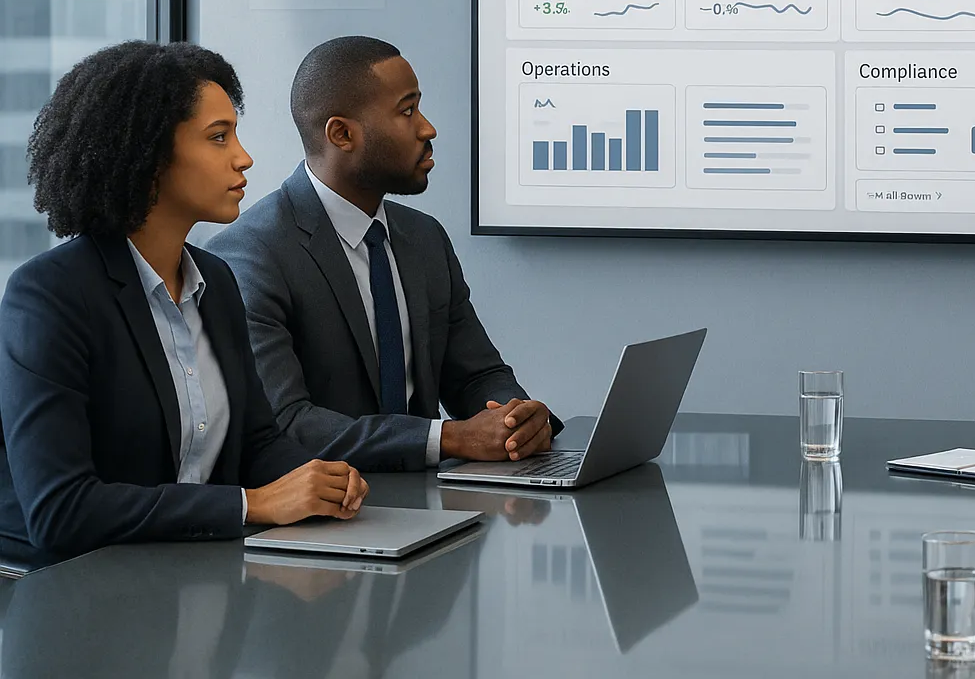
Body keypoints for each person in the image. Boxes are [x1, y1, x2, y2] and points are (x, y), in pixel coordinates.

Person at [0, 41, 368, 555]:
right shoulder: (49, 296)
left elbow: (257, 443)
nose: (244, 157)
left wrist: (318, 479)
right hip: (77, 596)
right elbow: (61, 510)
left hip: (192, 573)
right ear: (145, 156)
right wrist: (252, 505)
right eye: (218, 138)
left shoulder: (214, 280)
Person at [209, 36, 558, 472]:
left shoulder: (425, 237)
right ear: (341, 134)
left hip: (436, 509)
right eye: (407, 110)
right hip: (324, 523)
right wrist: (449, 438)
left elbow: (476, 374)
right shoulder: (250, 255)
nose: (427, 128)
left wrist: (517, 419)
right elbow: (287, 423)